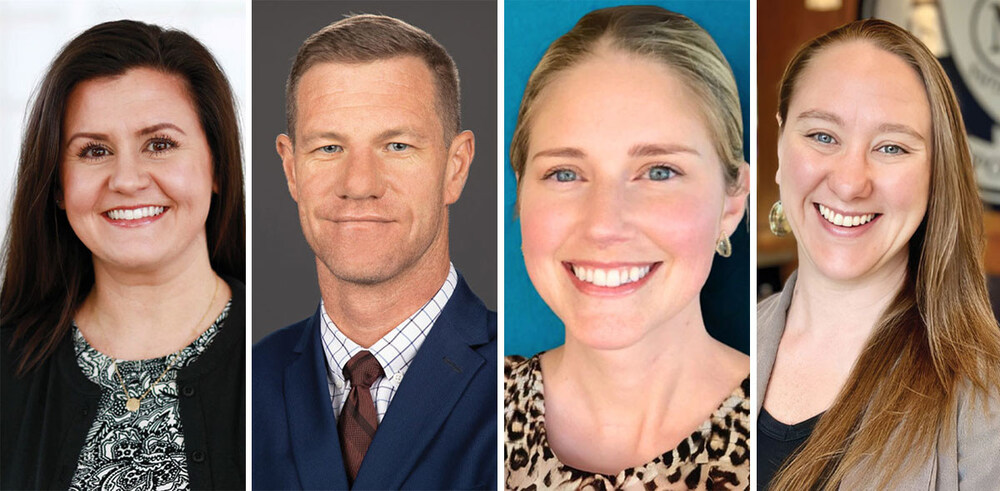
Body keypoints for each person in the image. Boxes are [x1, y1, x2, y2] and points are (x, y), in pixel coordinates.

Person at [504, 6, 750, 490]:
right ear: (521, 196)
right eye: (565, 174)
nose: (603, 225)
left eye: (658, 171)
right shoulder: (457, 417)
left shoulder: (790, 426)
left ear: (731, 202)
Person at [251, 14, 496, 490]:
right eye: (328, 148)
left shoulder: (511, 386)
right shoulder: (248, 381)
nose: (359, 184)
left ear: (456, 166)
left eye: (396, 145)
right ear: (291, 168)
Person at [0, 20, 246, 490]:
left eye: (160, 144)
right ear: (56, 184)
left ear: (217, 165)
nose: (127, 180)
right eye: (94, 151)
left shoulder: (279, 360)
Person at [759, 19, 1000, 490]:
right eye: (823, 136)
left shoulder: (986, 403)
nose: (850, 183)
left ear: (936, 172)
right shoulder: (735, 348)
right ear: (782, 145)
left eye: (891, 147)